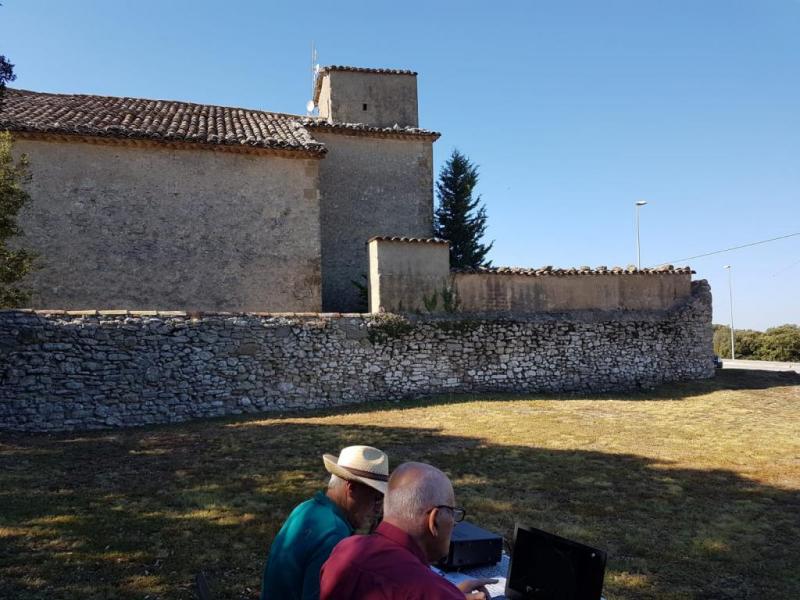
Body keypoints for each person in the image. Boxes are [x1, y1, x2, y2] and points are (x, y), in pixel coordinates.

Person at [319, 462, 496, 600]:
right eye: (452, 513)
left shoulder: (344, 550)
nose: (454, 524)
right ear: (434, 520)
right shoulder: (431, 592)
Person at [260, 445, 389, 600]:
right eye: (376, 498)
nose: (378, 509)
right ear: (351, 488)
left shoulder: (305, 508)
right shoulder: (335, 536)